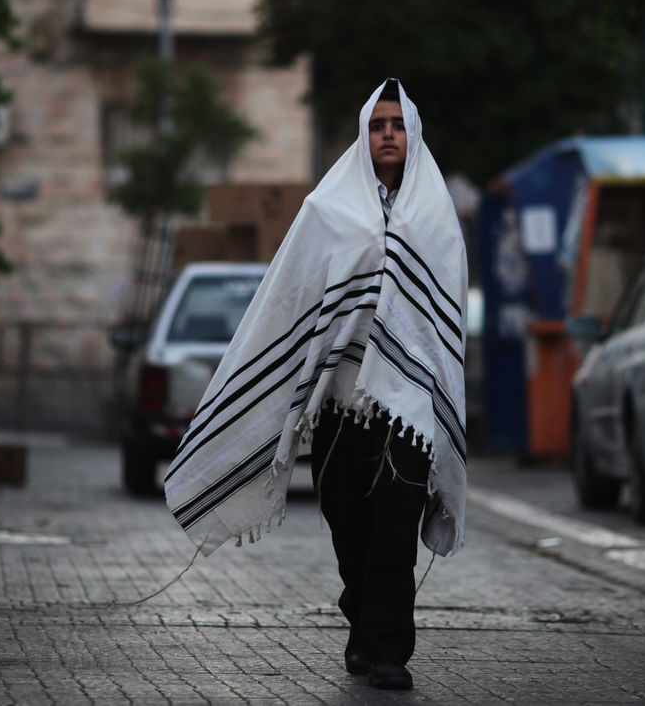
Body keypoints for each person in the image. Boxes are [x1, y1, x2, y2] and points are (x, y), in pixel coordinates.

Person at [162, 78, 468, 692]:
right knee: (348, 521)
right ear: (364, 134)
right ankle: (362, 616)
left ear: (413, 135)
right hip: (338, 403)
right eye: (378, 125)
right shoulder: (327, 212)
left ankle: (389, 652)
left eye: (397, 125)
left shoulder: (436, 218)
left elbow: (443, 323)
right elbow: (291, 301)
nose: (387, 134)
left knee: (393, 525)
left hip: (407, 408)